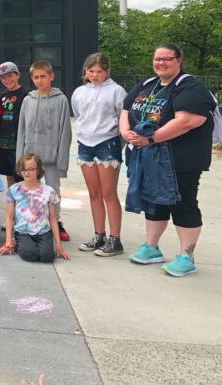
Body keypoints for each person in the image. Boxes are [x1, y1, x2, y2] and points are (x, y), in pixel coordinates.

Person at [121, 43, 216, 277]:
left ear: (178, 60)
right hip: (147, 158)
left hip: (179, 159)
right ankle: (151, 247)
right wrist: (126, 133)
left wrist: (151, 138)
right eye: (157, 59)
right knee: (154, 202)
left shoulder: (189, 86)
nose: (161, 63)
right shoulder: (147, 85)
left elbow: (188, 121)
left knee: (182, 203)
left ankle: (186, 255)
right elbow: (125, 110)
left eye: (167, 59)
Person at [72, 53, 127, 257]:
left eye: (99, 71)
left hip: (107, 143)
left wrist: (117, 144)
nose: (95, 75)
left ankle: (115, 239)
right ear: (85, 72)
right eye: (91, 71)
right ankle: (99, 234)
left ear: (107, 72)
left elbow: (123, 118)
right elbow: (78, 115)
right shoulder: (79, 92)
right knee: (93, 193)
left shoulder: (116, 91)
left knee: (108, 193)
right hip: (85, 144)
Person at [16, 60, 72, 241]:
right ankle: (31, 221)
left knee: (53, 191)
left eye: (43, 76)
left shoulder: (61, 99)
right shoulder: (28, 100)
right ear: (31, 78)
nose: (40, 80)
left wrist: (62, 161)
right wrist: (20, 159)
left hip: (52, 157)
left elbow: (65, 132)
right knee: (30, 190)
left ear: (51, 76)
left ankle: (56, 221)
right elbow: (21, 130)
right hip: (31, 156)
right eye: (36, 77)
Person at [0, 153, 70, 263]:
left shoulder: (49, 191)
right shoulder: (14, 189)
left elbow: (52, 218)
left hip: (43, 231)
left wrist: (59, 244)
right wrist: (8, 240)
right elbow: (9, 216)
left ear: (38, 170)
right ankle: (18, 243)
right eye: (24, 169)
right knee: (30, 255)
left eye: (31, 169)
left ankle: (40, 246)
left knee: (47, 257)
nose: (27, 173)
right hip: (23, 231)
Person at [0, 62, 26, 187]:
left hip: (20, 145)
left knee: (23, 176)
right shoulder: (1, 96)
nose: (7, 80)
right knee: (9, 176)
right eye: (3, 77)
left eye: (10, 76)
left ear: (18, 75)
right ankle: (12, 205)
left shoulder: (27, 95)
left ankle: (25, 206)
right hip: (4, 144)